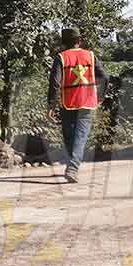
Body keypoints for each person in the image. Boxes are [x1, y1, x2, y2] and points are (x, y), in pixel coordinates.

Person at [47, 27, 107, 184]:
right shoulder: (91, 56)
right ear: (79, 41)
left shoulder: (61, 57)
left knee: (70, 135)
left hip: (68, 102)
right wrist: (100, 96)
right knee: (79, 136)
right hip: (87, 102)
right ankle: (72, 167)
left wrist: (51, 105)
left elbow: (55, 83)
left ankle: (72, 167)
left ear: (63, 43)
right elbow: (104, 77)